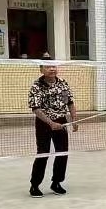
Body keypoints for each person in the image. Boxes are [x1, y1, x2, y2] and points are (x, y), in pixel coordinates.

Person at [28, 62, 77, 196]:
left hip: (61, 121)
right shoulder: (36, 86)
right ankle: (35, 185)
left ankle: (56, 182)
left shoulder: (62, 83)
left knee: (62, 153)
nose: (52, 69)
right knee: (43, 153)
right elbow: (36, 109)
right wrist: (51, 123)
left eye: (54, 66)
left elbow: (70, 102)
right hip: (44, 122)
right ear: (41, 69)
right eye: (48, 67)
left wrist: (74, 119)